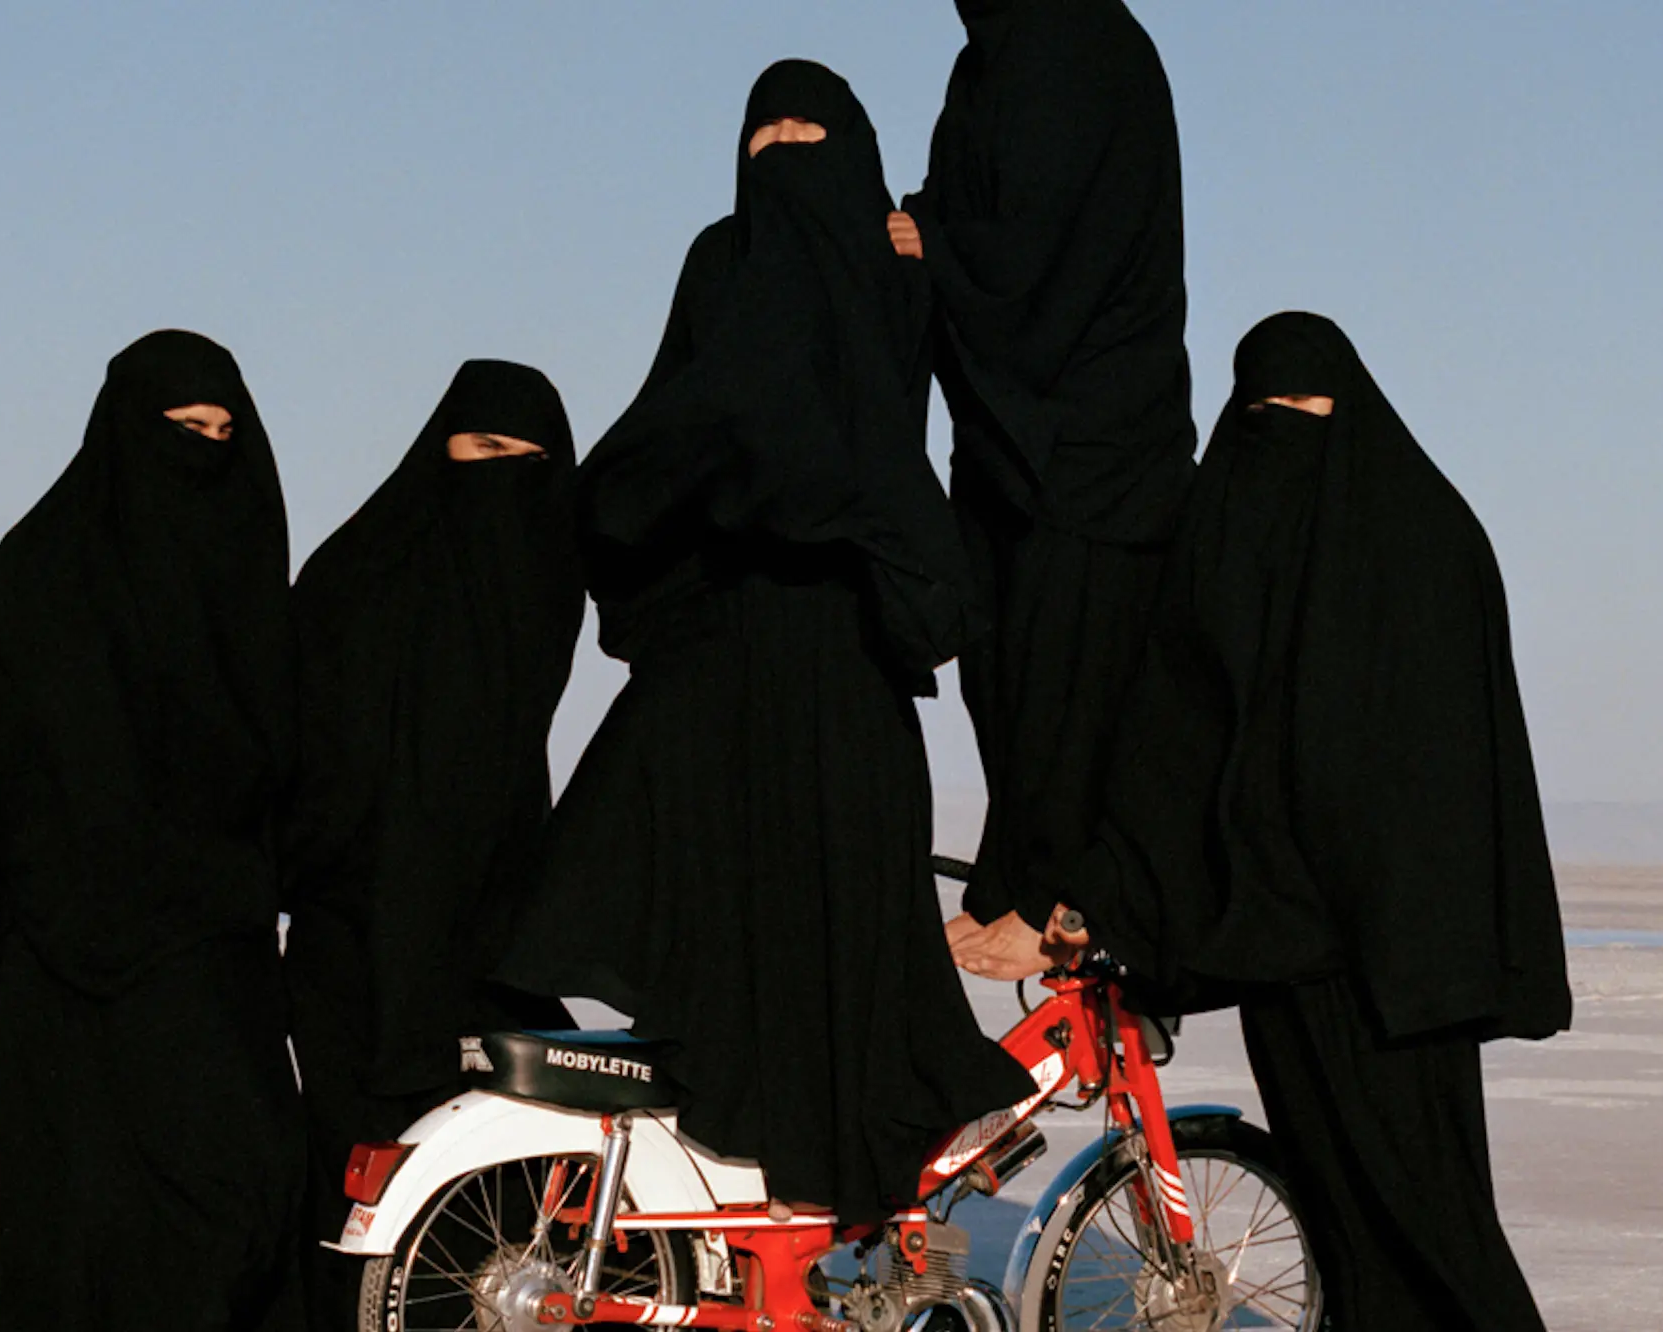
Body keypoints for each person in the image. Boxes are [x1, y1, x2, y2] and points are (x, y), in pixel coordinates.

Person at [496, 59, 1033, 1224]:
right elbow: (694, 412)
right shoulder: (723, 259)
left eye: (812, 133)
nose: (786, 152)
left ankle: (812, 1218)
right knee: (698, 909)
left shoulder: (897, 270)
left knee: (844, 923)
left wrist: (923, 260)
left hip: (843, 643)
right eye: (765, 137)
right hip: (732, 639)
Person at [997, 312, 1571, 1330]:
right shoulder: (1233, 546)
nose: (1281, 432)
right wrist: (1105, 889)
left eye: (1305, 409)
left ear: (1348, 411)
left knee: (1428, 1212)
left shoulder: (1423, 540)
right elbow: (1181, 745)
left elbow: (1439, 768)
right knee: (1339, 1221)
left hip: (1395, 961)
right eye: (1259, 414)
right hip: (1282, 939)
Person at [0, 330, 305, 1331]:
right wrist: (50, 883)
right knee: (72, 1232)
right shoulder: (37, 581)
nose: (206, 451)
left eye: (226, 432)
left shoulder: (242, 597)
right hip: (62, 968)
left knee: (242, 1201)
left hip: (208, 954)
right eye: (183, 429)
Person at [898, 0, 1203, 981]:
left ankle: (1052, 902)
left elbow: (1043, 248)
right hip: (1004, 442)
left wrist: (931, 250)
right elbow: (963, 210)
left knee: (1070, 681)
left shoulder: (1078, 46)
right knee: (1007, 676)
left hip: (1091, 441)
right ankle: (1011, 884)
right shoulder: (991, 64)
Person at [281, 359, 585, 1328]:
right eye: (486, 450)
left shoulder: (533, 587)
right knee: (363, 1219)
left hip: (486, 956)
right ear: (439, 447)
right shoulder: (361, 579)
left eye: (535, 463)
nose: (508, 478)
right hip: (360, 956)